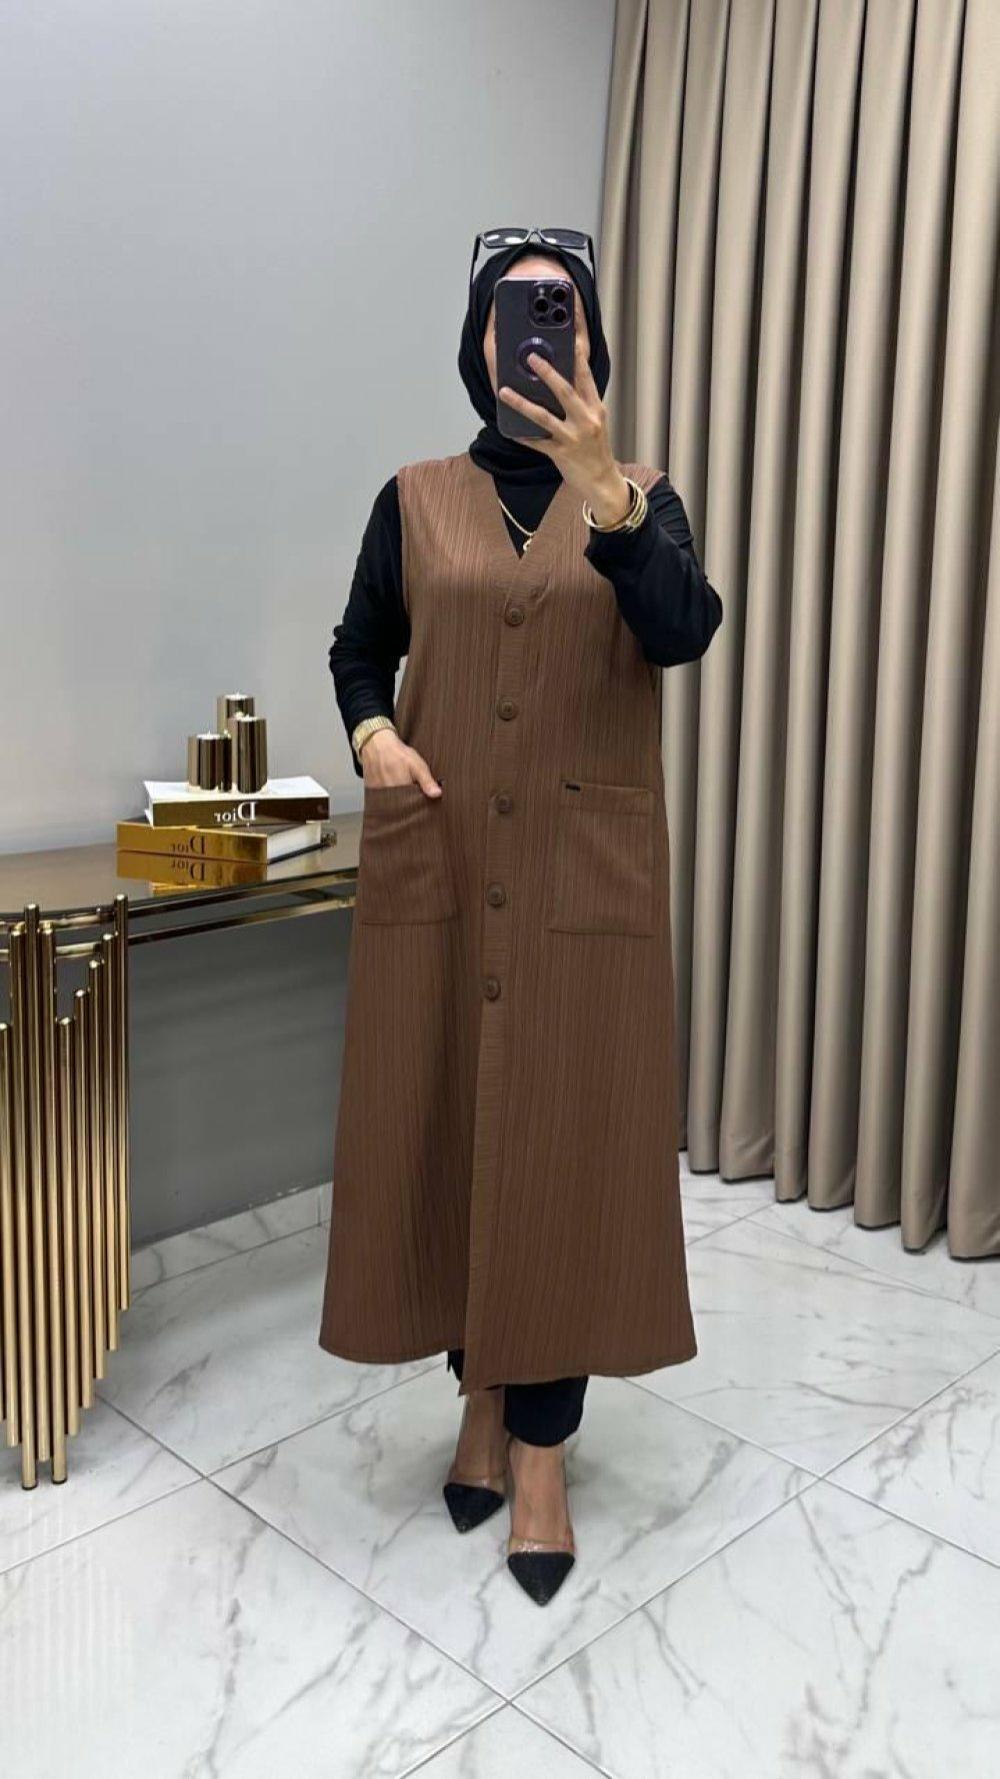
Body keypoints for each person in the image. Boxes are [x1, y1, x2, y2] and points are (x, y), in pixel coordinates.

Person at [319, 228, 723, 1606]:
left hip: (579, 881)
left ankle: (539, 1449)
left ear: (590, 340)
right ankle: (480, 1395)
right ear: (478, 342)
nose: (537, 332)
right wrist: (374, 733)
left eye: (560, 311)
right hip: (442, 863)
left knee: (561, 1148)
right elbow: (359, 648)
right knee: (451, 1130)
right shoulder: (413, 499)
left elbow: (681, 631)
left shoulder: (643, 497)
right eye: (513, 312)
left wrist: (607, 493)